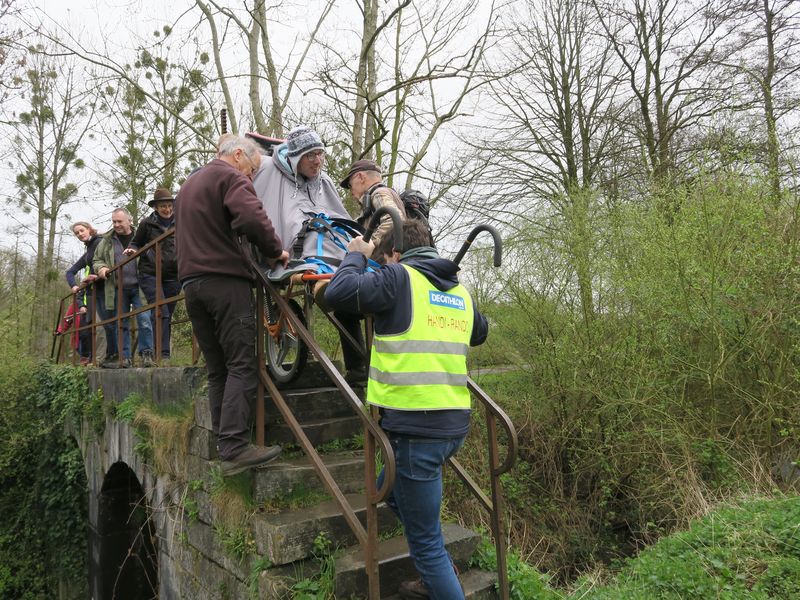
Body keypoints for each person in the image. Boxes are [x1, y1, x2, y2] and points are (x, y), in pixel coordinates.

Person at [324, 219, 488, 599]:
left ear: (395, 254)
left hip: (418, 430)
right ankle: (436, 576)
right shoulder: (459, 290)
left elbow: (339, 293)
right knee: (387, 489)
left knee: (427, 542)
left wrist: (355, 256)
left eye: (387, 258)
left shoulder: (399, 277)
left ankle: (438, 578)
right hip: (451, 424)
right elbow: (480, 332)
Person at [175, 134, 289, 477]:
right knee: (243, 363)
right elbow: (252, 219)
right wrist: (275, 251)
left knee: (218, 369)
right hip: (225, 282)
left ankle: (223, 444)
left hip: (192, 285)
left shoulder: (189, 184)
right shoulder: (230, 177)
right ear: (238, 154)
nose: (251, 177)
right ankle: (236, 446)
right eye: (252, 169)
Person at [252, 125, 369, 385]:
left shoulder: (323, 181)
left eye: (320, 154)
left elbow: (339, 214)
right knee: (320, 249)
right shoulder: (269, 171)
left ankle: (359, 369)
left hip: (332, 244)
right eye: (310, 155)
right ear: (295, 157)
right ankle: (325, 287)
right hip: (295, 244)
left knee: (352, 267)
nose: (317, 161)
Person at [93, 208, 155, 368]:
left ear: (130, 221)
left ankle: (147, 354)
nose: (116, 224)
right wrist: (101, 269)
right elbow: (97, 260)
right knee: (121, 324)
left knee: (145, 320)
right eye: (114, 221)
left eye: (119, 221)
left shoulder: (141, 236)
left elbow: (154, 254)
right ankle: (125, 358)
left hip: (140, 286)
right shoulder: (106, 241)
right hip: (117, 288)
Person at [124, 187, 179, 364]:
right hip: (150, 273)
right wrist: (132, 249)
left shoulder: (181, 221)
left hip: (173, 273)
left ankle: (161, 352)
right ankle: (162, 354)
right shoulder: (147, 224)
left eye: (170, 205)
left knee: (167, 314)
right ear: (155, 207)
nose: (167, 209)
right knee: (160, 312)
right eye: (163, 206)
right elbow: (136, 242)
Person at [340, 158, 406, 248]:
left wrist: (367, 245)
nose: (351, 191)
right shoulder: (386, 193)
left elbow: (394, 221)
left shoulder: (378, 194)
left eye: (350, 185)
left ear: (361, 177)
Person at [65, 221, 102, 365]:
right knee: (86, 330)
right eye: (77, 233)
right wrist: (74, 286)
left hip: (105, 290)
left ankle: (99, 358)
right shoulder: (87, 254)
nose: (80, 234)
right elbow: (70, 272)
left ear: (89, 229)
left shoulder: (100, 242)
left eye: (82, 230)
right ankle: (89, 358)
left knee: (101, 327)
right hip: (91, 295)